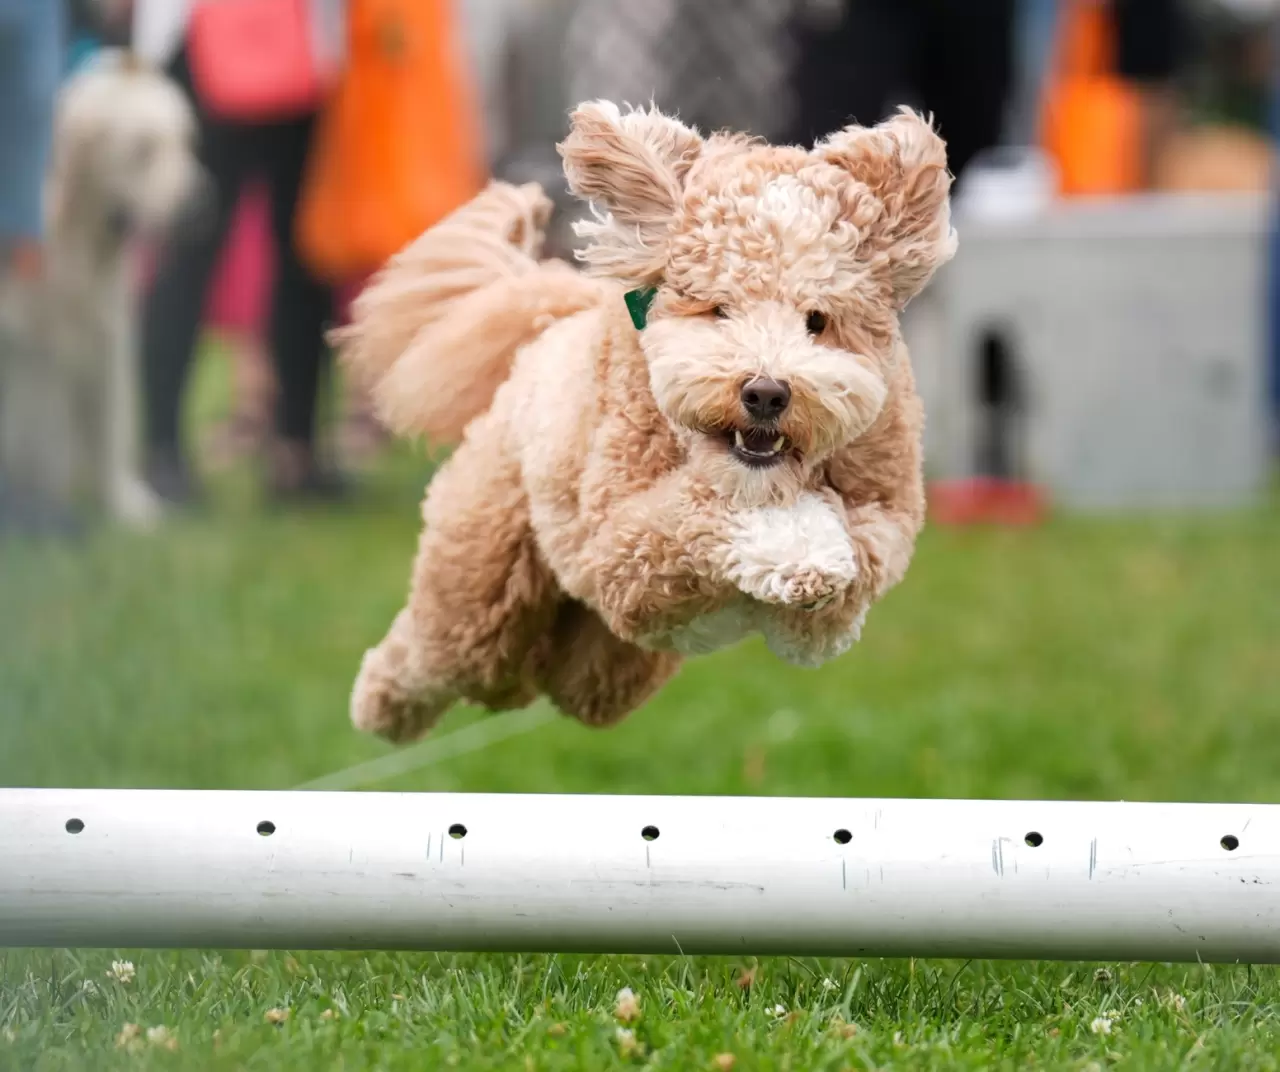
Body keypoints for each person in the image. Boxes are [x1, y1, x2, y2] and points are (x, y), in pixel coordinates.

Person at [132, 0, 348, 506]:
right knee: (193, 248)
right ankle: (171, 449)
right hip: (219, 42)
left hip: (282, 46)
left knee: (301, 253)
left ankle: (287, 449)